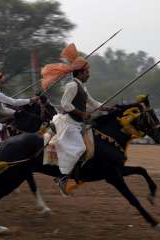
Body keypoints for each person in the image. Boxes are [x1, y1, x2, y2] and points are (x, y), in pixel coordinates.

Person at [41, 43, 111, 195]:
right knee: (80, 148)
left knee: (88, 148)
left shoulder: (82, 86)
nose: (89, 74)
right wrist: (81, 113)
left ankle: (73, 172)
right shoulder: (72, 86)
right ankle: (62, 177)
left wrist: (106, 108)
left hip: (78, 123)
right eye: (87, 72)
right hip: (69, 123)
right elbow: (64, 104)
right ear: (80, 73)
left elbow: (92, 102)